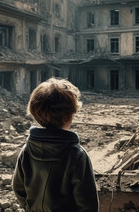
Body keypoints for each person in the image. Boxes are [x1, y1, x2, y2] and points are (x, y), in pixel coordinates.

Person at [12, 77, 99, 212]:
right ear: (66, 117)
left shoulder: (27, 150)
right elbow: (88, 204)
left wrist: (30, 207)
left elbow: (18, 188)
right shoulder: (77, 155)